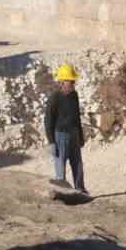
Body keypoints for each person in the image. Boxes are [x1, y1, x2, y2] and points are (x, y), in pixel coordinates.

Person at [44, 63, 88, 195]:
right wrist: (51, 142)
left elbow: (77, 117)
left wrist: (80, 136)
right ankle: (62, 193)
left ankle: (80, 190)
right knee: (60, 167)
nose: (73, 83)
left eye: (74, 81)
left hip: (73, 134)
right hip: (60, 136)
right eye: (71, 81)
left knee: (78, 165)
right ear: (62, 82)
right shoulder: (54, 98)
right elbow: (48, 121)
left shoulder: (74, 95)